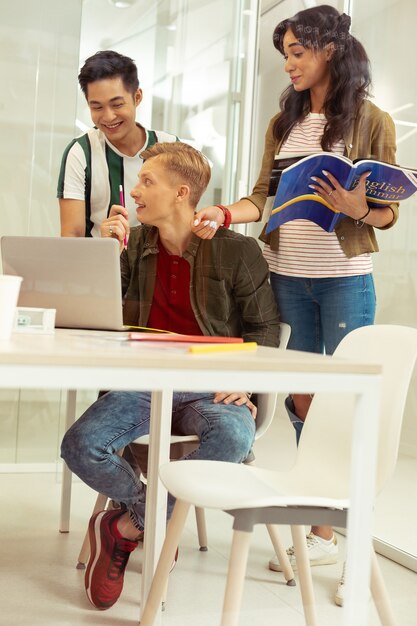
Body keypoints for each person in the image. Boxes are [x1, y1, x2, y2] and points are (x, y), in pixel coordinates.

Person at [191, 4, 398, 605]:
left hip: (343, 276)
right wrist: (225, 213)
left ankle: (347, 537)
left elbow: (387, 210)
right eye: (284, 54)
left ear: (329, 49)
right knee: (304, 397)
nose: (290, 64)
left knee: (348, 405)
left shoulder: (371, 120)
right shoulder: (283, 124)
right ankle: (323, 525)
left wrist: (358, 208)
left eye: (297, 52)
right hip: (288, 274)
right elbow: (262, 196)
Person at [61, 142, 280, 612]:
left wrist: (246, 381)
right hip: (143, 381)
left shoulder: (239, 252)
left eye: (146, 181)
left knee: (233, 441)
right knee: (80, 445)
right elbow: (98, 316)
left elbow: (264, 328)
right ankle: (153, 520)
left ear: (182, 193)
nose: (134, 191)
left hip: (214, 386)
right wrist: (105, 252)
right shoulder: (133, 245)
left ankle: (123, 528)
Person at [57, 50, 178, 238]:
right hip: (100, 263)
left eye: (117, 104)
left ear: (137, 97)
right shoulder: (81, 152)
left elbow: (184, 218)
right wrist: (105, 245)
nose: (108, 116)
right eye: (96, 107)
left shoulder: (170, 146)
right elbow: (72, 236)